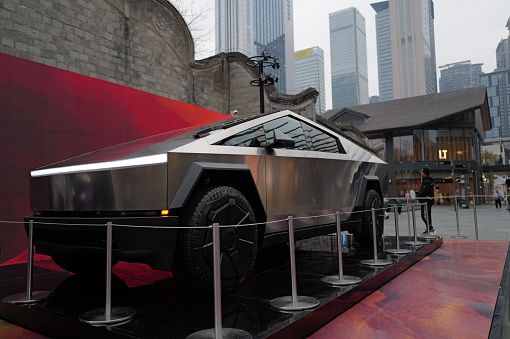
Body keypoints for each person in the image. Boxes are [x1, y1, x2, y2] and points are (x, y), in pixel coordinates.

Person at [416, 167, 435, 235]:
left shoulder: (427, 182)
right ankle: (429, 228)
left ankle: (430, 228)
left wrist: (417, 195)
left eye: (422, 172)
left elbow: (424, 191)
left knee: (424, 215)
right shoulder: (427, 181)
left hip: (426, 200)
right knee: (426, 214)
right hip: (426, 200)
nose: (421, 173)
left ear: (424, 173)